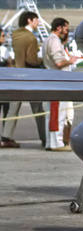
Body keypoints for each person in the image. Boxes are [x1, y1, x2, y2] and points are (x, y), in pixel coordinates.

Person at [1, 12, 47, 148]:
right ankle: (45, 137)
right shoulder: (31, 38)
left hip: (16, 76)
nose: (38, 22)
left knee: (13, 110)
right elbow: (31, 60)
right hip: (29, 77)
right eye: (36, 20)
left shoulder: (16, 35)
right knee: (38, 110)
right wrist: (43, 60)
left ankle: (6, 137)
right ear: (29, 20)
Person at [41, 18, 78, 150]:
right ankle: (56, 143)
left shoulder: (48, 40)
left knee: (52, 113)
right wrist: (71, 60)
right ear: (59, 28)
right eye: (66, 29)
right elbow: (58, 63)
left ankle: (52, 142)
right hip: (58, 81)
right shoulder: (54, 41)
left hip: (52, 80)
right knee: (58, 113)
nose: (66, 32)